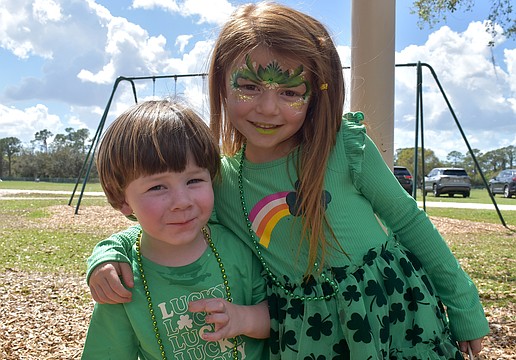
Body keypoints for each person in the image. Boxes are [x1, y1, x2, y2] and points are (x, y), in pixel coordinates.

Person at [86, 3, 489, 359]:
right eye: (248, 86)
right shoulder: (216, 183)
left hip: (392, 312)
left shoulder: (344, 148)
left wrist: (465, 305)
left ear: (317, 93)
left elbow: (409, 222)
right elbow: (157, 221)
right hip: (303, 333)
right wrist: (106, 253)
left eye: (291, 92)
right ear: (221, 86)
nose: (267, 107)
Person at [81, 99, 269, 360]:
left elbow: (281, 319)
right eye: (157, 187)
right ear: (122, 200)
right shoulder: (122, 281)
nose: (182, 202)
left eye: (194, 180)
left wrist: (244, 318)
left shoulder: (237, 246)